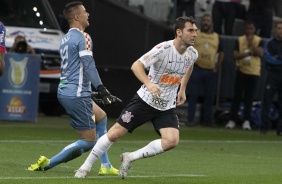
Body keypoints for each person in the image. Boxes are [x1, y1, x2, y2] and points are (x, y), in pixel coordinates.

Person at [74, 16, 198, 179]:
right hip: (144, 101)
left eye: (196, 30)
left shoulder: (193, 53)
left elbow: (189, 66)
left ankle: (130, 157)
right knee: (114, 134)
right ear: (179, 32)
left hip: (166, 106)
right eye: (191, 30)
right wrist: (148, 83)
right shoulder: (163, 49)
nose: (195, 34)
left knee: (171, 141)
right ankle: (85, 167)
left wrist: (182, 89)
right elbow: (136, 65)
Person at [27, 1, 119, 175]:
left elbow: (74, 69)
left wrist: (89, 91)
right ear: (77, 17)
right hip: (76, 94)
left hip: (67, 90)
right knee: (88, 141)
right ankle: (47, 164)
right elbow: (88, 65)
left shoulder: (66, 38)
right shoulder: (84, 37)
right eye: (85, 12)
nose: (88, 14)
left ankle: (105, 166)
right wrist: (101, 89)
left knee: (101, 117)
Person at [186, 14, 224, 127]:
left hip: (210, 70)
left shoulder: (217, 37)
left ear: (212, 23)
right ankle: (190, 119)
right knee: (193, 95)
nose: (206, 22)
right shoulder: (195, 34)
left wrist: (217, 66)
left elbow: (221, 53)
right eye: (204, 20)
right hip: (197, 68)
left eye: (208, 20)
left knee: (209, 96)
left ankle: (207, 120)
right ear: (201, 22)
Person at [225, 21, 264, 130]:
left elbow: (260, 53)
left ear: (254, 29)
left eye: (251, 28)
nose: (249, 31)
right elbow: (236, 55)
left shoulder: (259, 40)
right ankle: (232, 120)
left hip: (254, 72)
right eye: (247, 28)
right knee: (237, 97)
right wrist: (249, 53)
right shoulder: (240, 39)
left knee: (249, 98)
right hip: (241, 70)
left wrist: (251, 44)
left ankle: (247, 120)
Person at [260, 21, 282, 136]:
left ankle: (280, 129)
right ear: (275, 29)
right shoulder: (269, 43)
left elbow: (274, 59)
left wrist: (277, 58)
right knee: (267, 101)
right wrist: (278, 59)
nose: (280, 31)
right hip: (272, 75)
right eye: (278, 28)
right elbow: (268, 58)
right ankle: (264, 127)